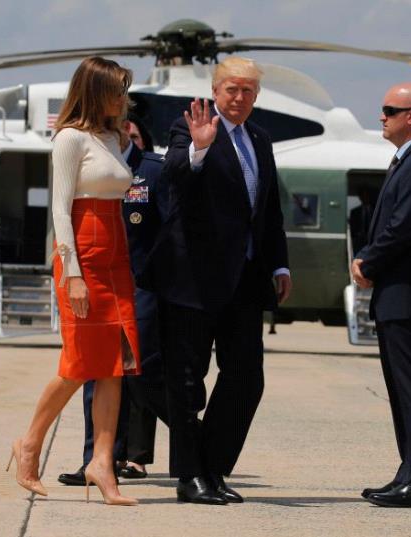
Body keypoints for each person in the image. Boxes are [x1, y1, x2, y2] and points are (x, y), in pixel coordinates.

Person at [144, 56, 291, 505]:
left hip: (245, 278)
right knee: (186, 381)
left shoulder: (260, 140)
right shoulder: (189, 127)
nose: (239, 97)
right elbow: (172, 179)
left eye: (248, 90)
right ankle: (192, 477)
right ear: (215, 89)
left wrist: (279, 265)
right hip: (192, 278)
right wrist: (200, 150)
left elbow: (267, 211)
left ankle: (212, 467)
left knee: (248, 377)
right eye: (232, 89)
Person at [7, 56, 140, 506]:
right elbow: (61, 210)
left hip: (117, 256)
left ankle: (102, 463)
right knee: (81, 361)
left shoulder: (112, 136)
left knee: (115, 364)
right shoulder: (69, 138)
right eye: (118, 90)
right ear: (95, 91)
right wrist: (74, 274)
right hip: (82, 254)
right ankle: (29, 444)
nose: (124, 99)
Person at [57, 116, 169, 486]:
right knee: (96, 369)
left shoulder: (152, 170)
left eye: (134, 132)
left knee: (137, 370)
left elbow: (169, 228)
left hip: (142, 283)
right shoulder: (93, 161)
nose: (126, 134)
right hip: (100, 275)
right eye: (123, 129)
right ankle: (96, 458)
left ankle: (135, 456)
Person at [353, 83, 411, 508]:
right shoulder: (407, 160)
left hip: (406, 293)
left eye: (391, 110)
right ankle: (410, 471)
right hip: (396, 294)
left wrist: (367, 263)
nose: (382, 116)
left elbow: (403, 226)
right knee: (401, 388)